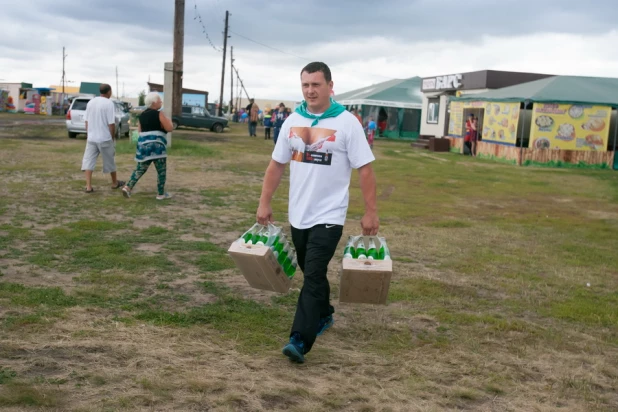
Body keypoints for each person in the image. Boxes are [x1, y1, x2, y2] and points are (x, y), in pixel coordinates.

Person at [256, 62, 379, 364]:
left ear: (330, 86)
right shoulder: (292, 121)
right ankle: (323, 314)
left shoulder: (347, 123)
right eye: (305, 85)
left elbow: (365, 169)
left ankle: (299, 338)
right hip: (299, 213)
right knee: (310, 270)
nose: (310, 90)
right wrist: (264, 202)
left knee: (312, 273)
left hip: (330, 214)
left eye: (316, 84)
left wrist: (371, 211)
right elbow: (276, 165)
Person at [121, 92, 173, 200]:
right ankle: (160, 194)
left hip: (144, 147)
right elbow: (169, 128)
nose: (161, 102)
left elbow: (140, 130)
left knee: (140, 169)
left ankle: (127, 187)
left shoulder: (142, 115)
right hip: (158, 146)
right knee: (161, 171)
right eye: (159, 101)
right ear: (154, 103)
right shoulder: (159, 114)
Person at [81, 83, 125, 193]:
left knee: (88, 161)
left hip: (91, 138)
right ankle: (114, 183)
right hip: (104, 137)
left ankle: (88, 186)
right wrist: (112, 137)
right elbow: (111, 123)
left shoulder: (91, 102)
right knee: (110, 160)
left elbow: (86, 120)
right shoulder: (109, 103)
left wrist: (88, 134)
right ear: (109, 91)